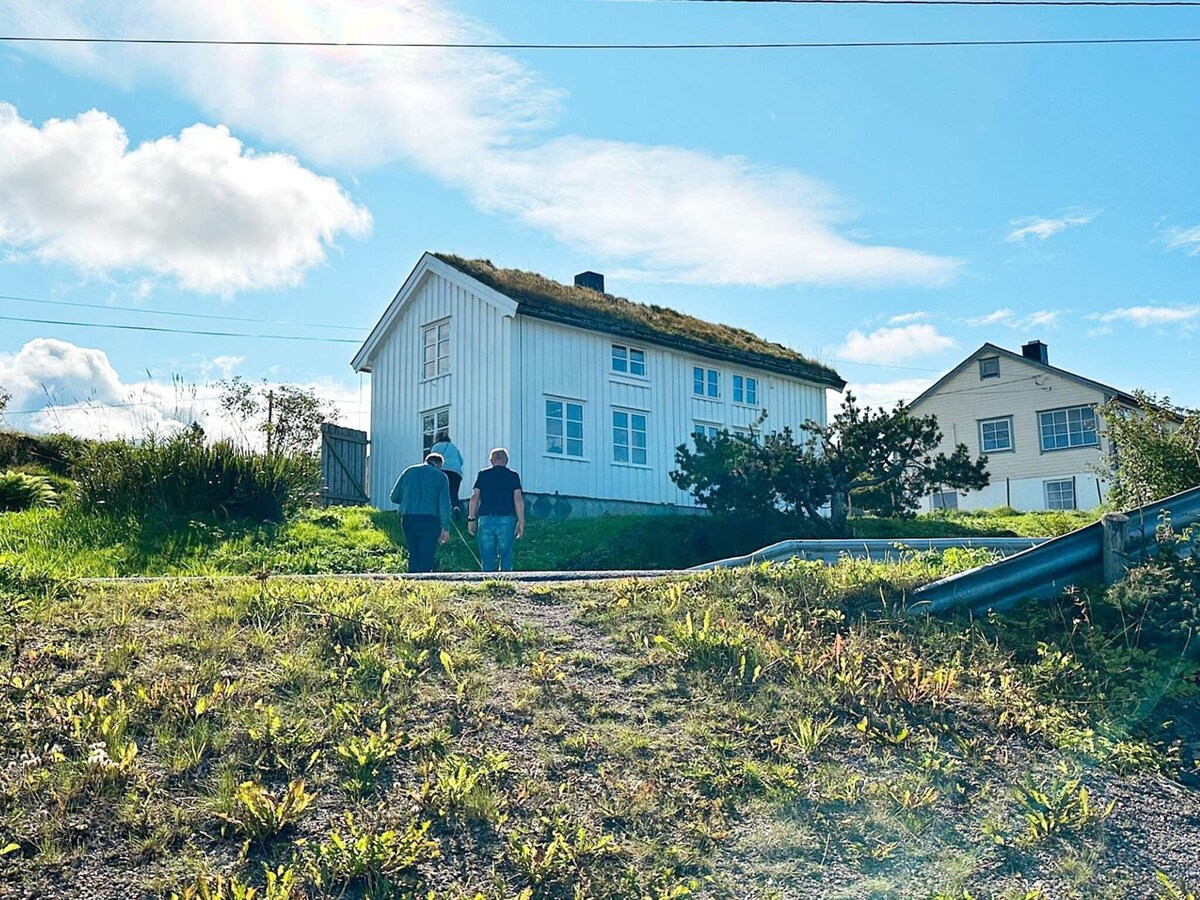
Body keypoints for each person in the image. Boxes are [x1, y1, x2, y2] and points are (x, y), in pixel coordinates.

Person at [389, 452, 452, 573]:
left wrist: (407, 499)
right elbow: (444, 504)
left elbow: (394, 497)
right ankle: (425, 579)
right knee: (427, 551)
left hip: (408, 517)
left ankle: (412, 578)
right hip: (430, 519)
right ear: (439, 464)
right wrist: (446, 527)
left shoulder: (408, 471)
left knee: (413, 551)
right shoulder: (441, 476)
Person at [467, 448, 525, 572]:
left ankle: (487, 582)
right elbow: (518, 498)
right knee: (506, 555)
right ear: (506, 461)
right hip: (506, 518)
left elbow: (474, 498)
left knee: (487, 555)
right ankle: (505, 582)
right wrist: (521, 521)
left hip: (485, 518)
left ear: (491, 461)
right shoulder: (513, 476)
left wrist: (471, 519)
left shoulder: (483, 474)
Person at [429, 429, 464, 516]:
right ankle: (456, 507)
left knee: (440, 491)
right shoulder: (453, 447)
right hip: (456, 472)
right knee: (453, 491)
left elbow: (432, 460)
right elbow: (461, 461)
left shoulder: (436, 446)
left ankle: (441, 511)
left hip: (442, 470)